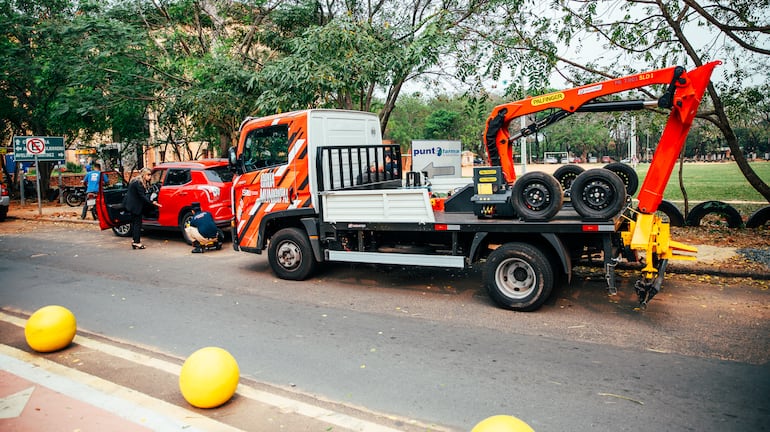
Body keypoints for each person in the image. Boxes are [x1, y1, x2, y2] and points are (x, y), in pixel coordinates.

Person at [123, 168, 161, 250]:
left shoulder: (136, 181)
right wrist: (152, 202)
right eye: (148, 175)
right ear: (143, 175)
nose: (150, 177)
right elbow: (142, 196)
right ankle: (137, 242)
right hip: (135, 206)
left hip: (132, 205)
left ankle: (134, 240)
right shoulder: (139, 183)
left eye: (150, 175)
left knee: (134, 224)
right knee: (137, 224)